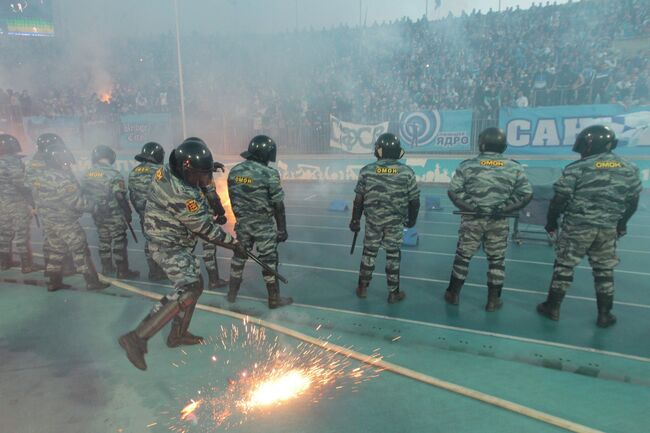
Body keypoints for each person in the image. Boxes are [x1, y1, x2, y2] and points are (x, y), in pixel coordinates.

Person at [118, 138, 244, 371]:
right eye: (198, 175)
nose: (202, 180)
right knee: (188, 288)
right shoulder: (183, 194)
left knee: (194, 285)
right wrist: (235, 245)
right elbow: (205, 229)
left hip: (172, 239)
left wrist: (204, 169)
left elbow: (191, 152)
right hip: (167, 244)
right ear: (187, 170)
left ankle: (177, 335)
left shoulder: (167, 168)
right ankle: (137, 338)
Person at [537, 125, 642, 327]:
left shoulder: (577, 168)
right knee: (604, 270)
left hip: (577, 227)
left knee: (564, 267)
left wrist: (551, 223)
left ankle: (553, 307)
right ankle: (604, 314)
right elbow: (633, 202)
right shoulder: (629, 168)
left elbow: (559, 199)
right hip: (608, 228)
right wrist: (621, 224)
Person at [445, 127, 532, 311]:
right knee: (496, 259)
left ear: (481, 144)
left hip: (472, 220)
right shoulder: (514, 167)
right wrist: (503, 208)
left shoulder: (468, 165)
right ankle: (493, 300)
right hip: (499, 221)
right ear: (503, 146)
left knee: (463, 256)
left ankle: (453, 294)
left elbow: (454, 191)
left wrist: (472, 207)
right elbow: (525, 194)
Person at [349, 133, 419, 303]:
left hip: (373, 222)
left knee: (369, 253)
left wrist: (355, 220)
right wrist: (412, 220)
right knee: (393, 256)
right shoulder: (407, 172)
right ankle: (393, 293)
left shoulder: (366, 171)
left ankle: (362, 288)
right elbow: (414, 201)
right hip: (395, 223)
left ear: (379, 150)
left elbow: (359, 200)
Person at [30, 141, 108, 291]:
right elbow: (76, 202)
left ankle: (53, 282)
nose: (68, 165)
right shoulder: (61, 179)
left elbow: (35, 198)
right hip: (65, 222)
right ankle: (92, 281)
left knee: (56, 251)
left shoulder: (40, 177)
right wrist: (96, 206)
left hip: (49, 222)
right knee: (80, 250)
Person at [226, 135, 292, 308]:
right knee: (269, 260)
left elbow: (232, 199)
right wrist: (282, 229)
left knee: (239, 257)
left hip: (243, 223)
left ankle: (232, 293)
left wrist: (241, 218)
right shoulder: (269, 174)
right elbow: (278, 204)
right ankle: (273, 299)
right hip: (263, 225)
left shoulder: (235, 171)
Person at [82, 145, 139, 278]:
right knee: (119, 241)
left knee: (103, 240)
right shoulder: (113, 174)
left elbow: (83, 192)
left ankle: (107, 267)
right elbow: (119, 195)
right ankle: (122, 270)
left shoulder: (87, 174)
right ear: (109, 157)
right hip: (114, 214)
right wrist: (128, 212)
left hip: (97, 213)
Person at [25, 133, 75, 275]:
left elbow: (27, 186)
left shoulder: (33, 162)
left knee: (50, 237)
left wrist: (33, 204)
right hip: (58, 204)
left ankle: (50, 268)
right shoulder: (53, 158)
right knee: (65, 237)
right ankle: (66, 267)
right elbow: (66, 179)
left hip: (42, 203)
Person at [0, 134, 40, 273]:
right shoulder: (12, 162)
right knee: (22, 235)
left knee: (4, 234)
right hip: (17, 203)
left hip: (2, 204)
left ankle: (4, 263)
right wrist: (32, 199)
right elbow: (21, 183)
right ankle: (27, 265)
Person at [128, 141, 166, 281]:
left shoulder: (134, 172)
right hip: (160, 214)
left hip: (143, 213)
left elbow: (131, 195)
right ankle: (161, 271)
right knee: (163, 243)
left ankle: (153, 272)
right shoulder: (160, 171)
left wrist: (140, 211)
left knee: (149, 241)